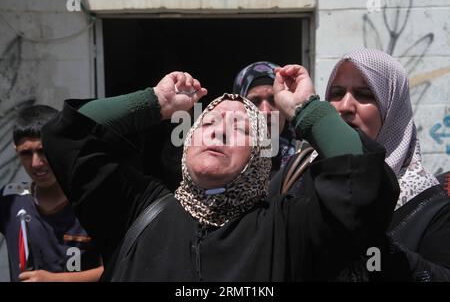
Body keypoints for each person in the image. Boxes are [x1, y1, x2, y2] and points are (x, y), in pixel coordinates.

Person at [41, 68, 399, 281]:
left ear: (261, 155)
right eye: (208, 122)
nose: (219, 130)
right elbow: (68, 136)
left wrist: (307, 110)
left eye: (240, 128)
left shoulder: (289, 227)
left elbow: (362, 181)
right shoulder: (137, 211)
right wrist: (154, 102)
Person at [324, 48, 450, 281]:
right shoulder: (304, 180)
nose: (345, 106)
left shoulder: (431, 208)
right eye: (337, 93)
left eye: (364, 95)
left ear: (392, 110)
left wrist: (385, 252)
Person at [0, 105, 103, 282]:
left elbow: (119, 266)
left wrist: (57, 280)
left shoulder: (93, 201)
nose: (36, 163)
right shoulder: (10, 200)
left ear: (61, 146)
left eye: (42, 150)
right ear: (16, 151)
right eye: (26, 153)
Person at [233, 61, 299, 175]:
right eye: (254, 102)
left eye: (273, 100)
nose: (265, 111)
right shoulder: (223, 159)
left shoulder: (305, 160)